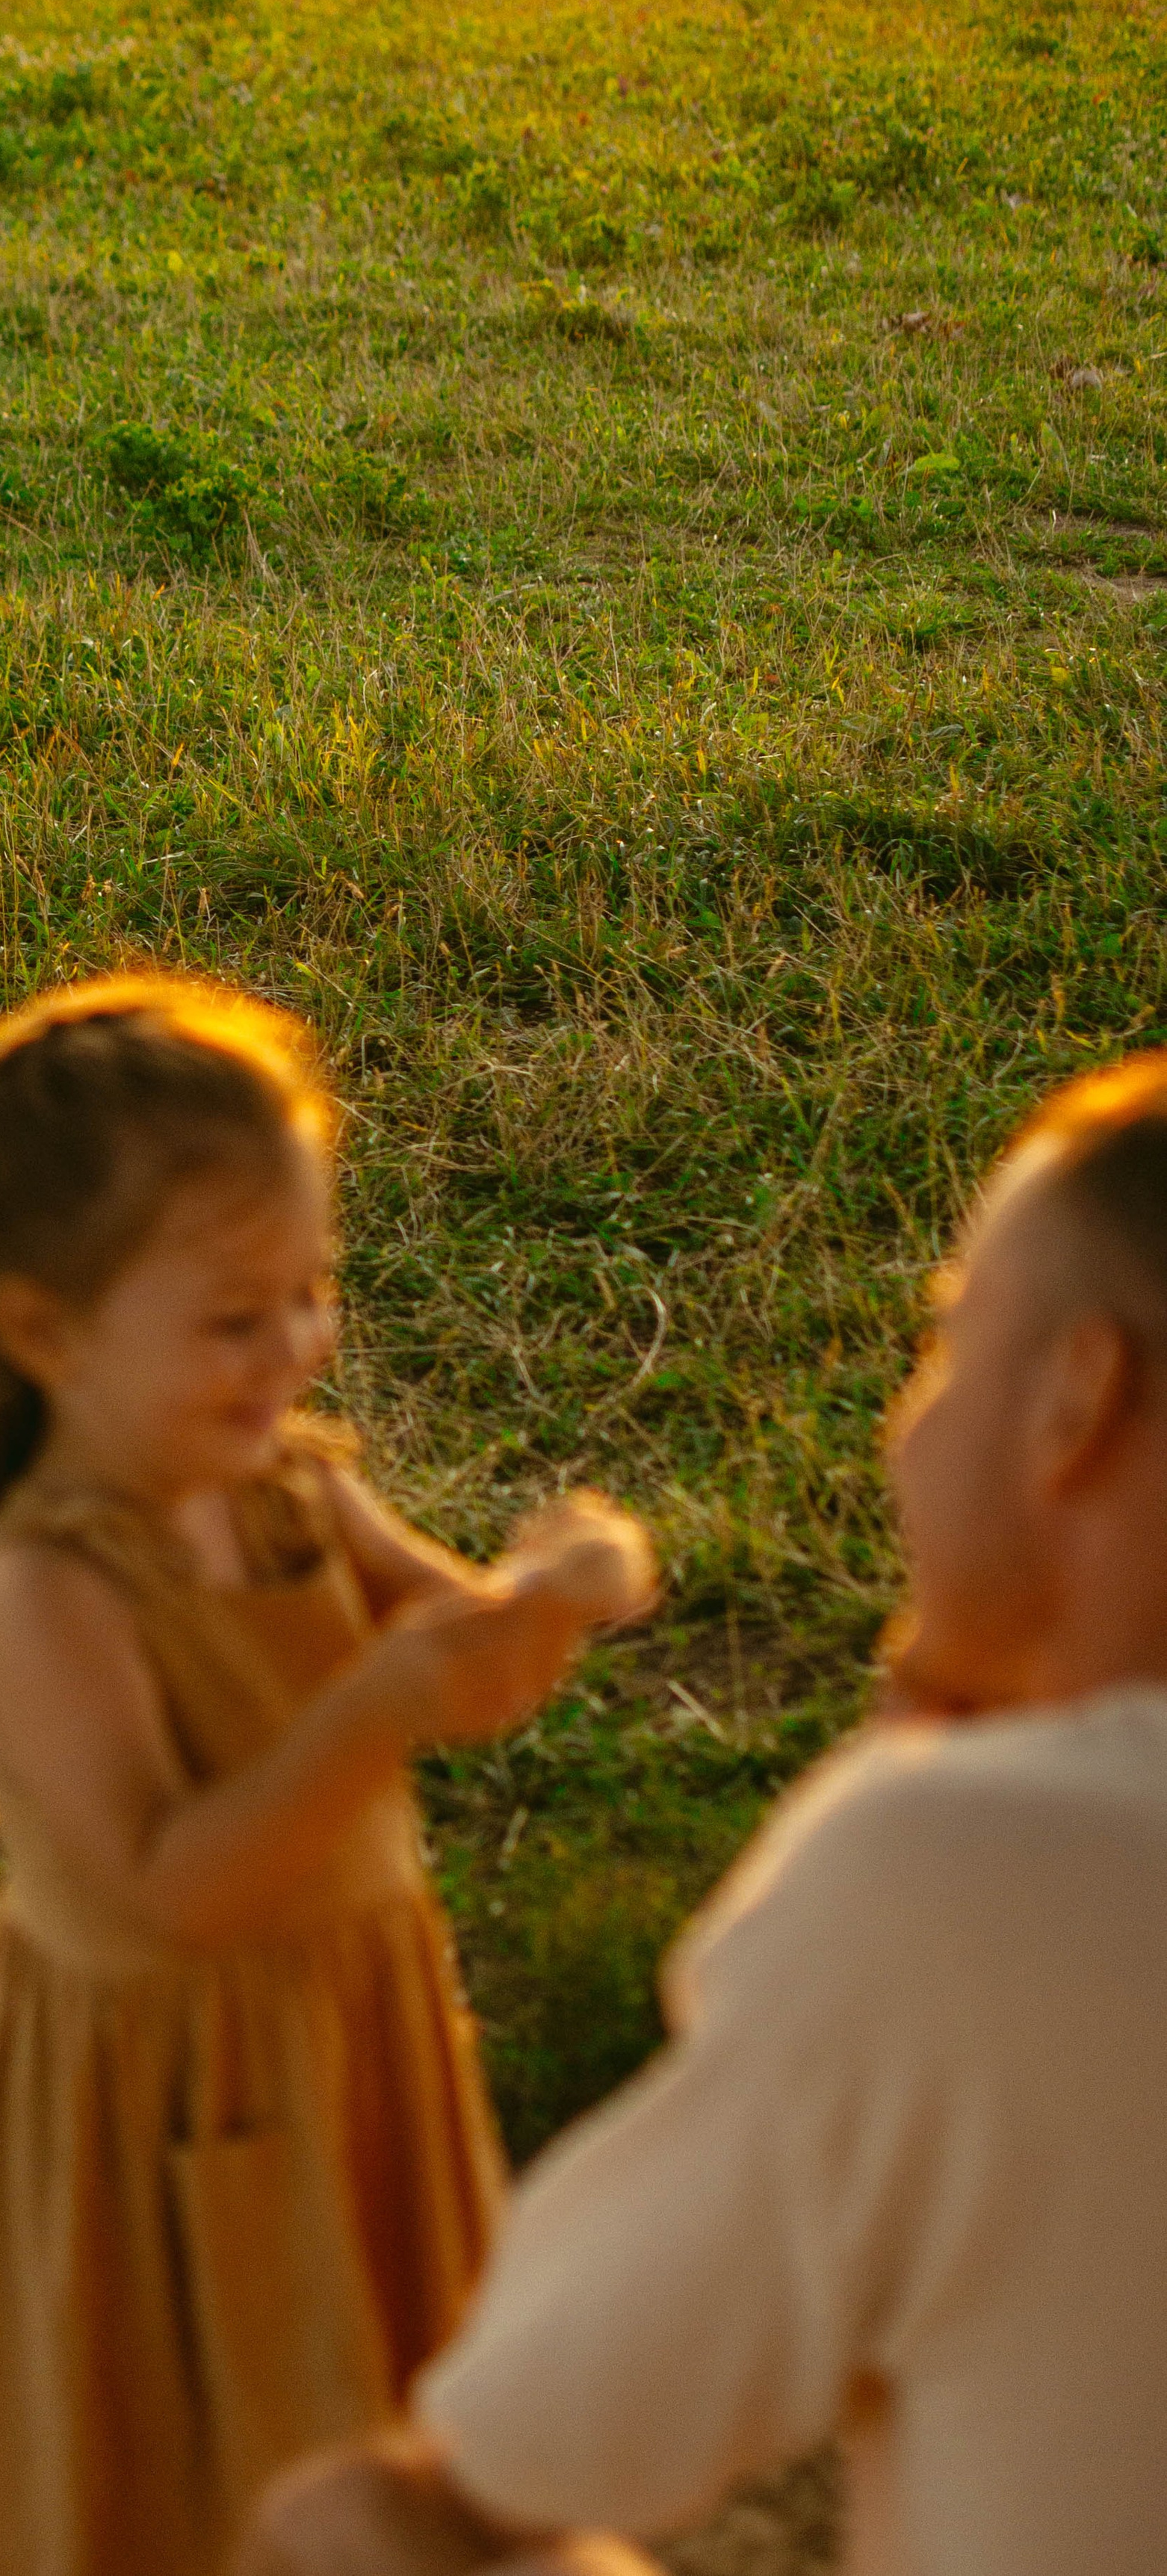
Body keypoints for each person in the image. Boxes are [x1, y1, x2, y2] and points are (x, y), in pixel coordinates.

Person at [238, 1051, 1167, 2576]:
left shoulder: (975, 1873)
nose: (899, 1431)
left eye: (943, 1341)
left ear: (1076, 1399)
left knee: (347, 2531)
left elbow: (508, 2463)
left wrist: (931, 1814)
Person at [0, 975, 657, 2576]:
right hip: (159, 2102)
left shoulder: (289, 1499)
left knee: (366, 2447)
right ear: (41, 1328)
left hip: (342, 2034)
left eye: (308, 1292)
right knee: (187, 2480)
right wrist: (377, 1705)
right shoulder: (42, 1592)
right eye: (232, 1317)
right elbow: (166, 1887)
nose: (292, 1347)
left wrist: (552, 1586)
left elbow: (460, 1668)